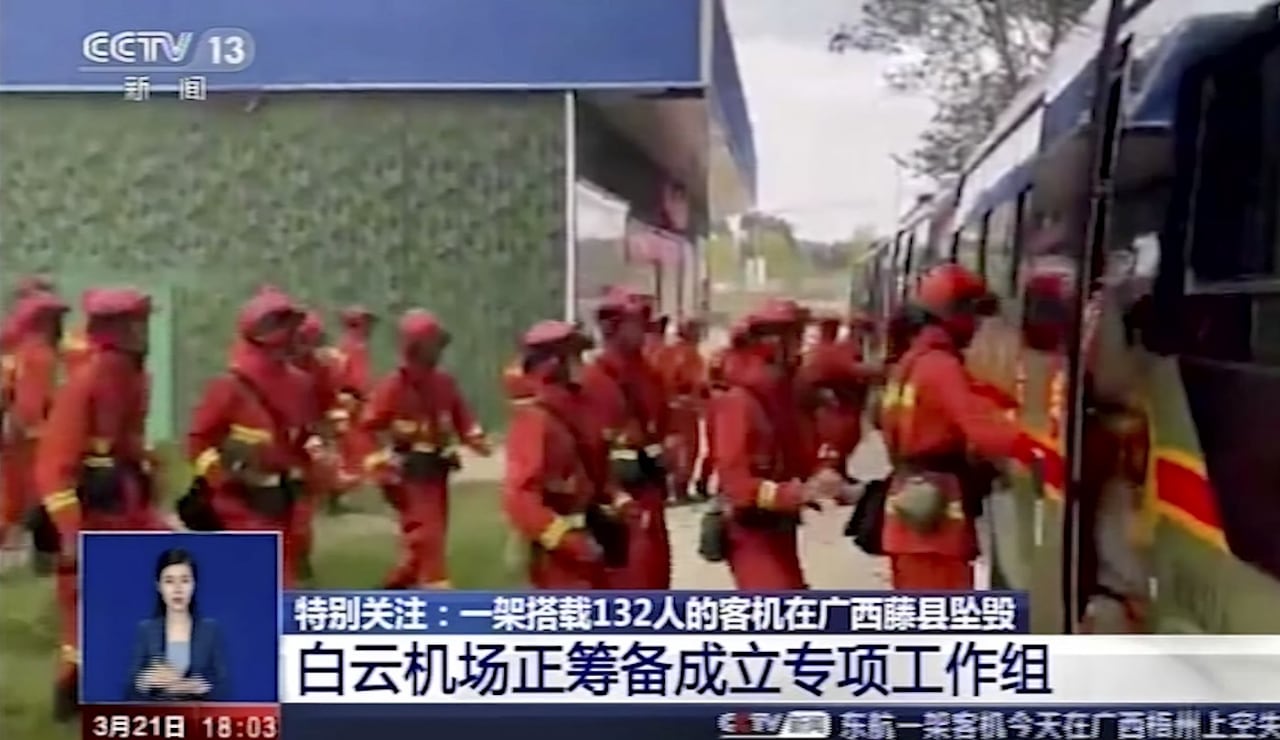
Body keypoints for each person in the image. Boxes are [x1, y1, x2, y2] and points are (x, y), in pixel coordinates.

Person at [36, 287, 168, 720]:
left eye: (142, 322)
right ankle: (73, 691)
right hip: (92, 512)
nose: (142, 330)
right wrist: (71, 534)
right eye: (134, 323)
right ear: (111, 331)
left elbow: (127, 442)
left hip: (126, 504)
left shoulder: (134, 378)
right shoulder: (86, 383)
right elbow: (55, 467)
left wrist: (148, 474)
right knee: (87, 604)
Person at [879, 264, 1036, 590]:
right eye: (974, 314)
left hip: (908, 518)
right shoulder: (941, 366)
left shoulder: (912, 363)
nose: (977, 326)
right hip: (935, 529)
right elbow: (983, 430)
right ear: (956, 314)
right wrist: (1036, 448)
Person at [710, 301, 845, 590]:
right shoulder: (740, 401)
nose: (800, 350)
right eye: (794, 338)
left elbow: (802, 451)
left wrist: (824, 473)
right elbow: (737, 484)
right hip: (750, 533)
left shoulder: (783, 397)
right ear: (772, 343)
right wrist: (793, 493)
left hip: (780, 529)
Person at [187, 291, 310, 587]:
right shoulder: (228, 387)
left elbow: (300, 439)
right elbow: (198, 441)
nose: (292, 335)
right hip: (239, 504)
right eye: (282, 326)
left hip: (282, 501)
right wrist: (224, 477)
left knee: (282, 577)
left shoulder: (300, 385)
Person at [362, 309, 491, 589]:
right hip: (408, 474)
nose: (438, 351)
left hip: (437, 472)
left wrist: (475, 437)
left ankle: (395, 587)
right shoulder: (393, 387)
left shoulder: (444, 383)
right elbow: (368, 426)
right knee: (427, 537)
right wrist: (380, 463)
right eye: (432, 344)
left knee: (427, 539)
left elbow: (462, 416)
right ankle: (437, 593)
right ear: (415, 347)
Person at [503, 320, 632, 589]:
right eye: (574, 356)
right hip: (556, 563)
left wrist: (617, 498)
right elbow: (520, 498)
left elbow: (595, 466)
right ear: (553, 363)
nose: (582, 365)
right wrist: (566, 540)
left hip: (587, 551)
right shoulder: (536, 419)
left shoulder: (579, 407)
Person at [581, 289, 672, 589]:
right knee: (628, 580)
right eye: (635, 322)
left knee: (657, 576)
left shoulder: (651, 374)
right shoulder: (592, 379)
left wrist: (670, 448)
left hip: (651, 493)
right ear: (611, 327)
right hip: (618, 501)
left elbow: (661, 424)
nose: (642, 329)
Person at [1, 291, 67, 551]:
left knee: (12, 497)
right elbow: (32, 404)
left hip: (17, 435)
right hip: (33, 438)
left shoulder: (19, 351)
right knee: (37, 495)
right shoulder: (40, 355)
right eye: (56, 319)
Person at [128, 548, 229, 701]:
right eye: (169, 581)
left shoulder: (210, 630)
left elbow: (224, 686)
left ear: (194, 585)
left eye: (184, 580)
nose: (177, 589)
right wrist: (145, 681)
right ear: (158, 586)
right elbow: (129, 690)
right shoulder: (146, 630)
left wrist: (200, 687)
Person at [289, 311, 344, 582]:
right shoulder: (270, 369)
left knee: (300, 516)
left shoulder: (319, 369)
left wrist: (328, 433)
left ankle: (300, 563)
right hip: (274, 448)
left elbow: (327, 404)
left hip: (304, 445)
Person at [800, 313, 881, 483]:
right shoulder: (830, 351)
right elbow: (854, 369)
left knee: (845, 436)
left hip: (845, 404)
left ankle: (839, 470)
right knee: (836, 439)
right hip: (834, 409)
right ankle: (829, 474)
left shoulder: (844, 349)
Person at [331, 305, 377, 503]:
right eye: (367, 323)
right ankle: (351, 494)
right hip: (353, 405)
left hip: (345, 404)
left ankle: (346, 493)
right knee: (359, 449)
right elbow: (358, 382)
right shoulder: (355, 346)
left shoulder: (343, 345)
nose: (370, 328)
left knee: (349, 450)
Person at [660, 317, 708, 503]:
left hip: (669, 408)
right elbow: (695, 383)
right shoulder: (690, 355)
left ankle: (670, 488)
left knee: (672, 447)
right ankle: (680, 490)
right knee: (687, 449)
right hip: (685, 410)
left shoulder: (666, 352)